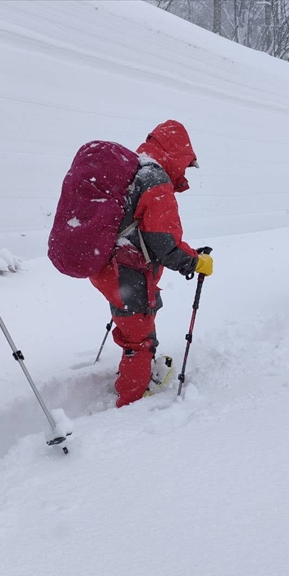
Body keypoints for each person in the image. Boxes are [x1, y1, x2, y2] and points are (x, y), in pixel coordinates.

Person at [89, 120, 212, 408]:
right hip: (126, 271)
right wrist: (193, 262)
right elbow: (163, 241)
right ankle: (132, 398)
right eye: (186, 164)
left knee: (135, 324)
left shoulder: (133, 169)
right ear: (177, 154)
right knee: (139, 339)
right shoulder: (155, 181)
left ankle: (134, 373)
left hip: (108, 264)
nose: (184, 171)